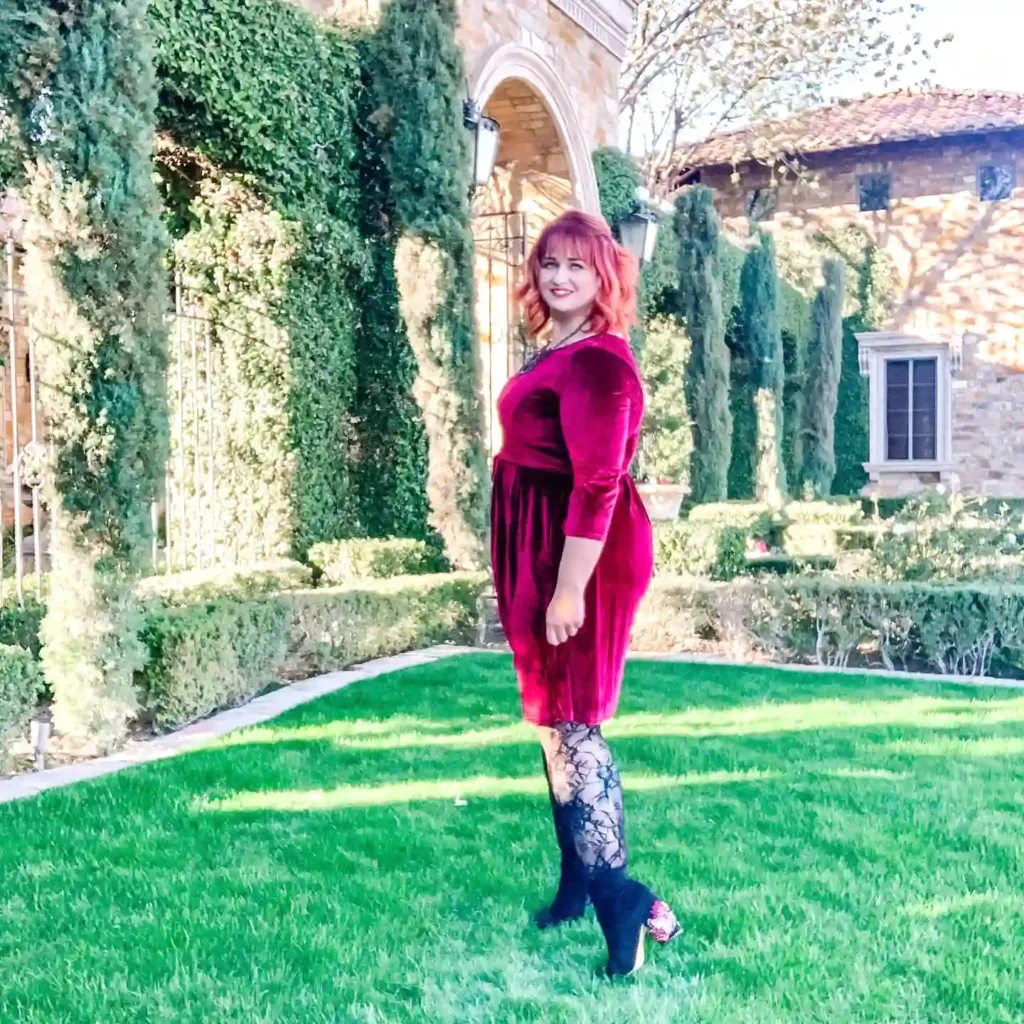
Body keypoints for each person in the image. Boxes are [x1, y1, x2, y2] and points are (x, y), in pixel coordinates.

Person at [490, 209, 680, 977]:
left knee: (573, 725)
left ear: (605, 277)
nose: (559, 277)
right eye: (548, 265)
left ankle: (620, 898)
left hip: (579, 553)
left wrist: (568, 590)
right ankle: (577, 885)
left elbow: (599, 483)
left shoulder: (601, 361)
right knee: (552, 722)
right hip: (540, 543)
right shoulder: (559, 350)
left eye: (576, 265)